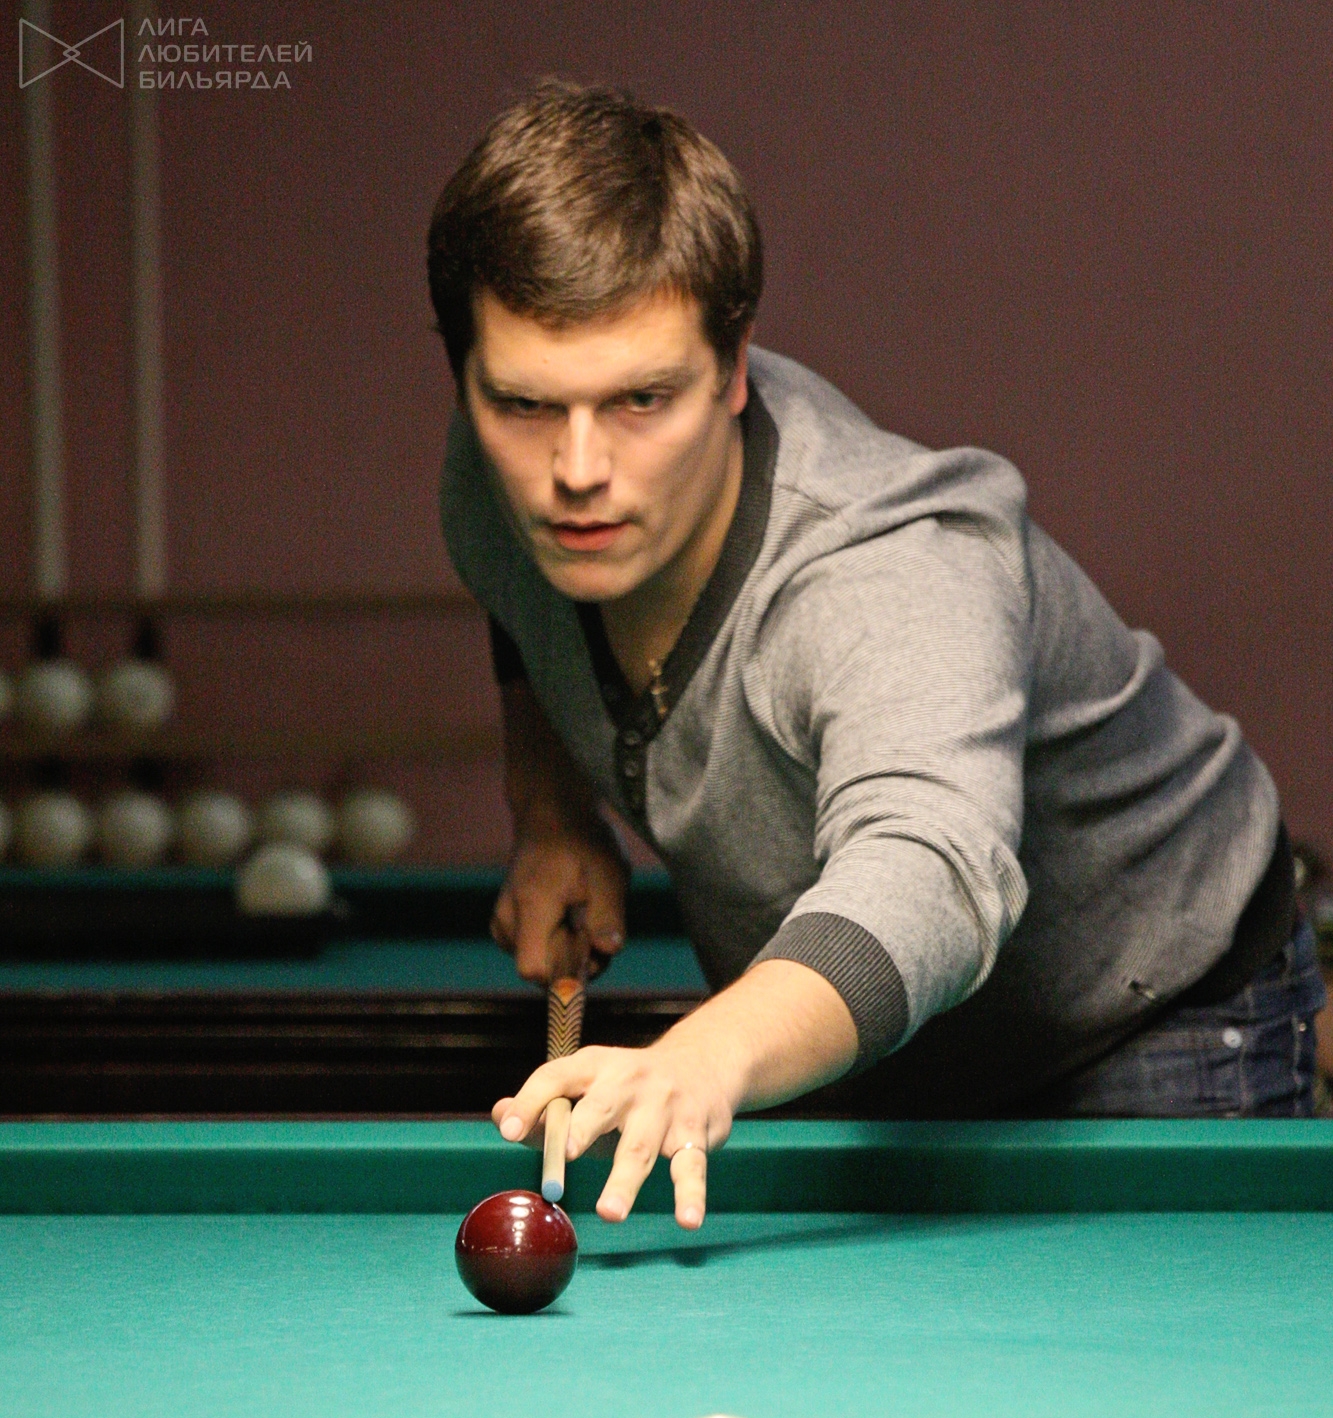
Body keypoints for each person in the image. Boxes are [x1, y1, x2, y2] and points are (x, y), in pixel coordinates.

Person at [427, 82, 1327, 1230]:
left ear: (734, 367)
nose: (577, 470)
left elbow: (928, 864)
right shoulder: (492, 482)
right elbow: (520, 597)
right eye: (524, 403)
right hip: (865, 1040)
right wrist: (550, 809)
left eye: (643, 398)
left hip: (1142, 1010)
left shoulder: (885, 568)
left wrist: (704, 1054)